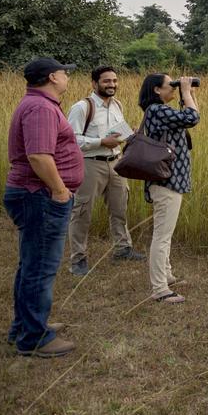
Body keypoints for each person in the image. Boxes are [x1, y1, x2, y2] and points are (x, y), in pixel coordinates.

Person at [4, 57, 84, 357]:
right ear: (53, 77)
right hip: (40, 195)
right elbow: (39, 156)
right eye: (65, 73)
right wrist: (60, 190)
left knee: (31, 264)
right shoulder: (40, 107)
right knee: (40, 268)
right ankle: (34, 337)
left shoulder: (41, 105)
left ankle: (24, 326)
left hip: (36, 194)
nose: (67, 77)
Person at [65, 66, 145, 276]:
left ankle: (122, 250)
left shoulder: (117, 105)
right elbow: (71, 139)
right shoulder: (82, 107)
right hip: (90, 164)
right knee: (82, 212)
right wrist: (101, 141)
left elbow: (119, 132)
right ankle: (78, 260)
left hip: (117, 163)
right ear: (94, 83)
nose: (112, 84)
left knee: (120, 208)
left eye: (115, 81)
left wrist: (132, 133)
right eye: (106, 81)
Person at [137, 73, 200, 304]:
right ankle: (160, 289)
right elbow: (193, 118)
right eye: (170, 84)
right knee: (162, 237)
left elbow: (189, 116)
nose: (173, 87)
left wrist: (189, 94)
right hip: (166, 183)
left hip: (170, 182)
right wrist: (185, 92)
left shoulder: (163, 112)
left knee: (166, 233)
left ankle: (167, 275)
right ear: (156, 90)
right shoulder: (156, 110)